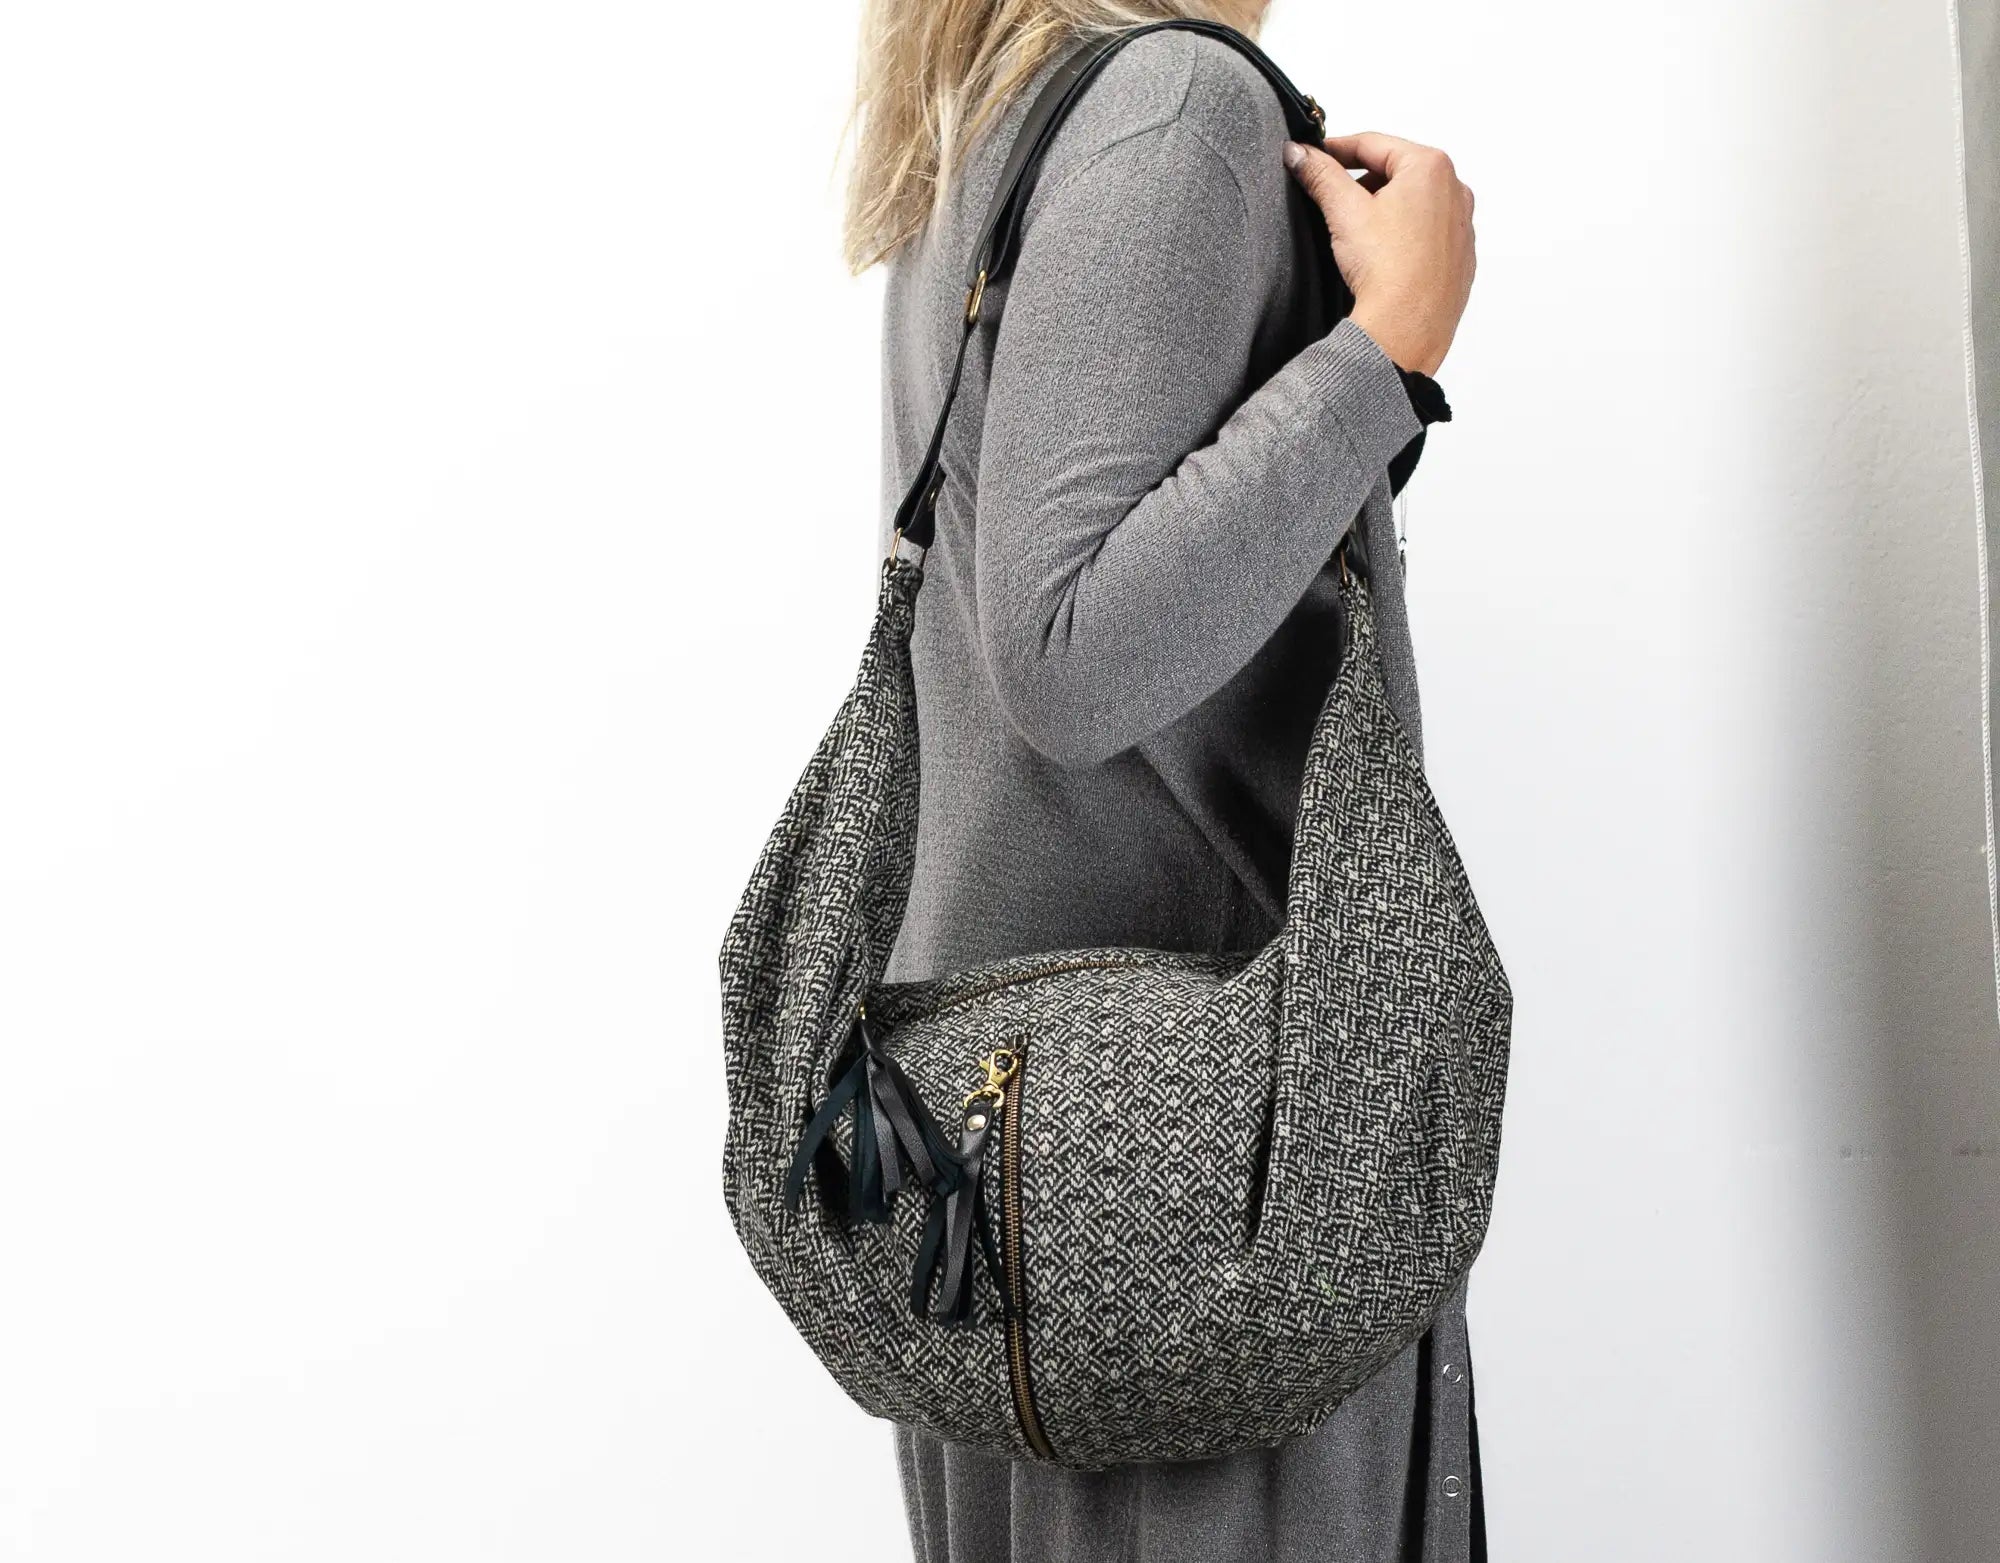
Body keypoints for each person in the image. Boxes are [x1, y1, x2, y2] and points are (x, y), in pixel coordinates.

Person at [852, 2, 1480, 1558]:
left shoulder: (1005, 109)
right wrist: (1390, 350)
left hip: (1000, 1163)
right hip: (1203, 1172)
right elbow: (1070, 656)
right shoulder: (1172, 109)